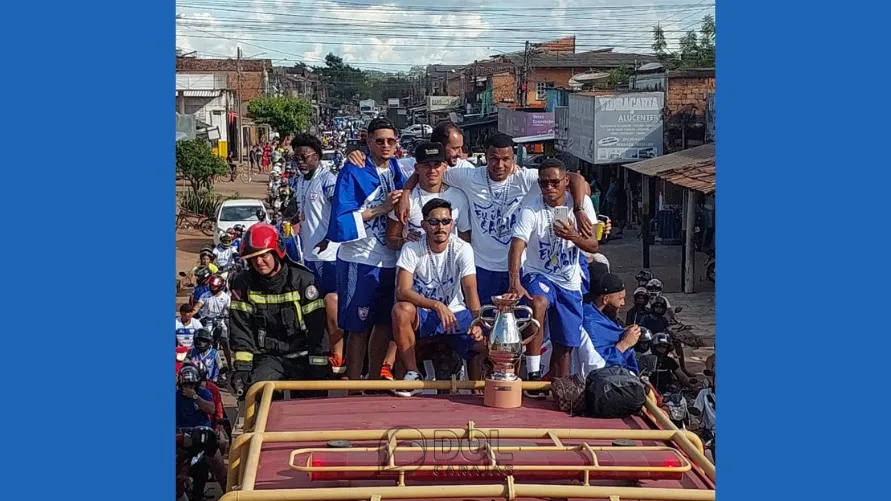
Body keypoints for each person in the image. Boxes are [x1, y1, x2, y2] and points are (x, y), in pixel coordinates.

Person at [323, 118, 407, 382]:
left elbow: (436, 167)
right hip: (359, 259)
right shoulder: (353, 170)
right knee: (358, 328)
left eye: (390, 141)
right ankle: (354, 386)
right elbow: (340, 219)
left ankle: (372, 382)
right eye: (379, 140)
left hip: (391, 260)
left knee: (383, 325)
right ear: (368, 140)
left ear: (397, 143)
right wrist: (381, 209)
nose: (385, 145)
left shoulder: (398, 169)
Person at [507, 158, 600, 385]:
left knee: (565, 344)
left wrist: (572, 236)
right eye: (543, 183)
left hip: (569, 280)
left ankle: (558, 387)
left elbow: (594, 246)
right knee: (538, 303)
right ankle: (533, 371)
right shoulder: (531, 207)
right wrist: (515, 281)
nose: (549, 188)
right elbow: (517, 244)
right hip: (539, 273)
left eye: (554, 182)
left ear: (565, 182)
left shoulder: (581, 203)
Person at [392, 199, 485, 396]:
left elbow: (470, 288)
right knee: (401, 310)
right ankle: (413, 374)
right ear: (424, 225)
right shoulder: (412, 248)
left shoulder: (463, 248)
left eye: (445, 221)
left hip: (456, 313)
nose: (440, 226)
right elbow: (402, 290)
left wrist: (478, 322)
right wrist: (436, 305)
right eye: (434, 222)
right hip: (425, 314)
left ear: (452, 224)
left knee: (488, 342)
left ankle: (479, 388)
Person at [228, 223, 329, 394]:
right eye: (253, 258)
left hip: (303, 355)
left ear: (277, 252)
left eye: (264, 255)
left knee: (311, 409)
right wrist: (243, 369)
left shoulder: (303, 281)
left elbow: (318, 328)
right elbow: (241, 330)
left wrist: (319, 365)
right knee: (259, 394)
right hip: (268, 357)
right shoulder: (243, 285)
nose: (259, 262)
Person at [291, 133, 345, 374]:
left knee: (332, 306)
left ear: (317, 156)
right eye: (296, 158)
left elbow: (340, 211)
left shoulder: (328, 180)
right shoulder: (300, 181)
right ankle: (320, 352)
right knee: (314, 310)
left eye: (304, 157)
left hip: (330, 256)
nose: (300, 161)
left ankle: (339, 354)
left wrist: (329, 237)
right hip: (309, 258)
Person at [385, 142, 471, 250]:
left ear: (444, 166)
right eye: (426, 166)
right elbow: (390, 239)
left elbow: (464, 239)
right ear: (416, 168)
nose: (432, 171)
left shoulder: (459, 197)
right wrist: (405, 241)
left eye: (436, 165)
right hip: (414, 264)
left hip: (448, 265)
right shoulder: (405, 200)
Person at [586, 273, 640, 373]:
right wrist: (624, 343)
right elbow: (599, 364)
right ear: (605, 299)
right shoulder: (590, 323)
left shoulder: (596, 315)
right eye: (620, 298)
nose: (623, 303)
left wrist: (623, 333)